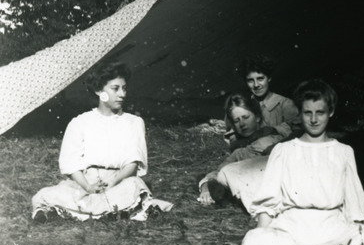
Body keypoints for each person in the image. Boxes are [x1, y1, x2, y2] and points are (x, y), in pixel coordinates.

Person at [228, 79, 364, 245]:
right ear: (300, 113)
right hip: (292, 226)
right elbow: (269, 199)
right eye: (307, 113)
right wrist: (260, 231)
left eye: (320, 112)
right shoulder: (283, 150)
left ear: (331, 112)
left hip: (332, 226)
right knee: (256, 240)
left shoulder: (343, 151)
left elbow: (353, 202)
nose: (314, 120)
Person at [31, 63, 173, 221]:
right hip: (86, 181)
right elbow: (70, 162)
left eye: (124, 88)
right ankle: (111, 211)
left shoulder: (134, 122)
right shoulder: (80, 122)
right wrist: (88, 186)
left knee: (134, 186)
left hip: (119, 181)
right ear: (99, 91)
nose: (122, 94)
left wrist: (113, 181)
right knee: (46, 193)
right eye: (115, 88)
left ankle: (86, 211)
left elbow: (132, 162)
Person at [196, 91, 284, 209]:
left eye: (245, 117)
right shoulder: (241, 152)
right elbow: (217, 172)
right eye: (237, 121)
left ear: (257, 117)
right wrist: (206, 187)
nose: (242, 124)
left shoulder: (277, 132)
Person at [241, 54, 300, 138]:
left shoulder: (286, 104)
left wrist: (275, 130)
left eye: (260, 79)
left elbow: (299, 133)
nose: (256, 85)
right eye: (250, 80)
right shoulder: (244, 105)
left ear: (269, 78)